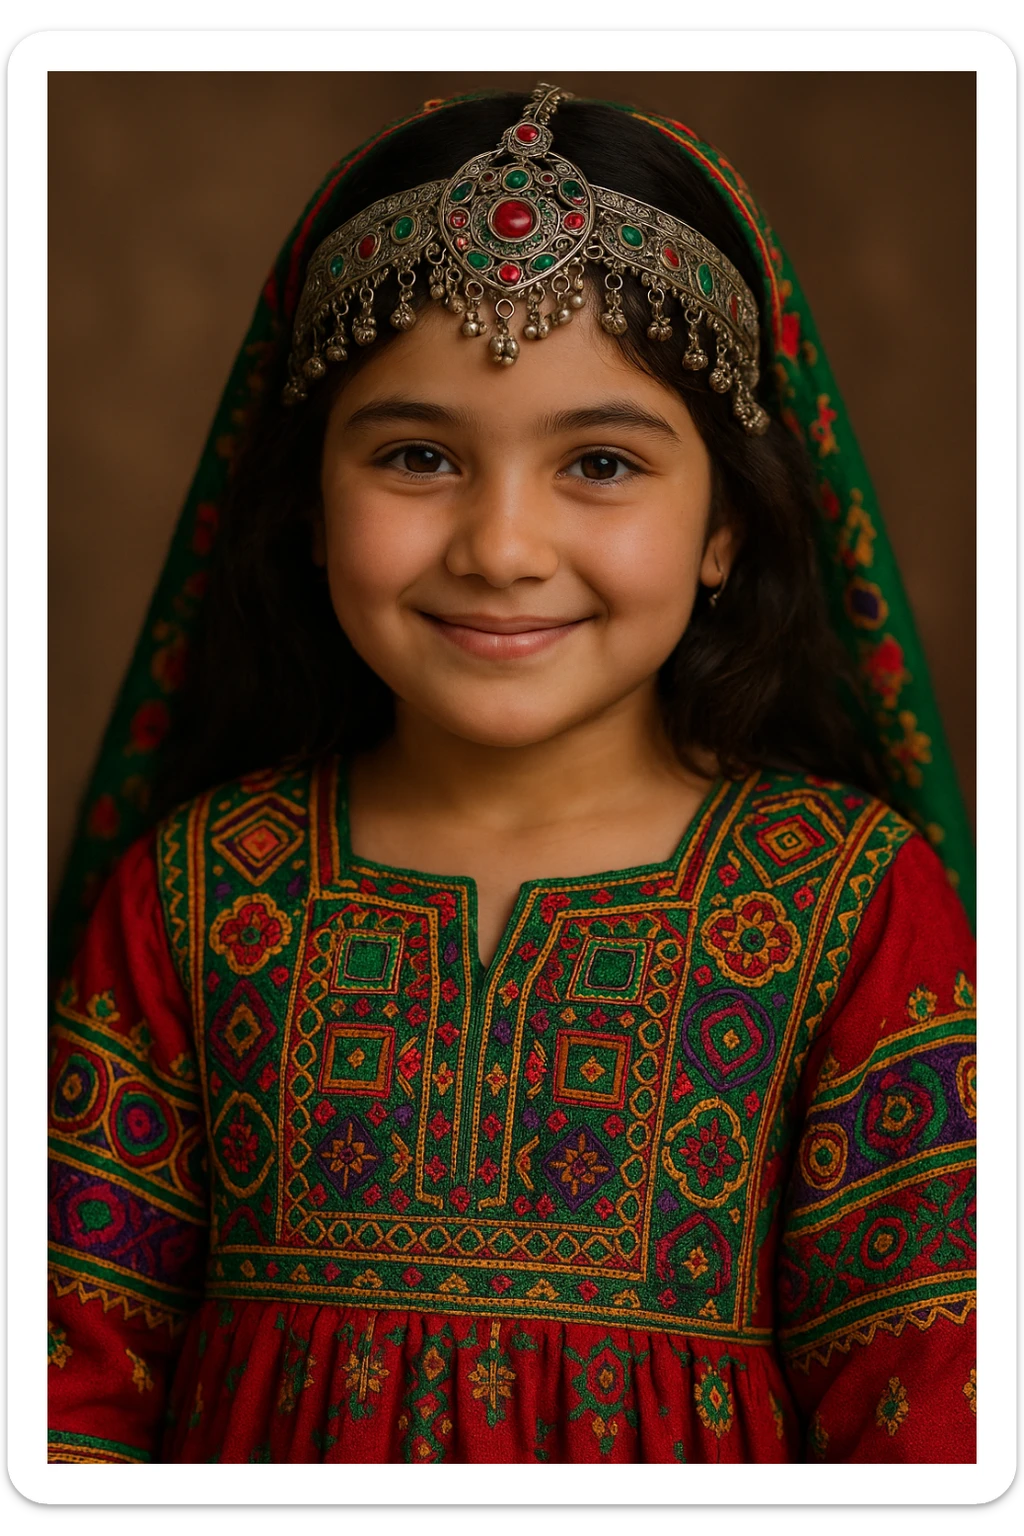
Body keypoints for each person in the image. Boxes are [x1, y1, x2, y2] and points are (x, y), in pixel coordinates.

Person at [47, 84, 976, 1465]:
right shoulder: (194, 890)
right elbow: (65, 1395)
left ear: (725, 527)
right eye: (417, 457)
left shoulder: (846, 904)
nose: (500, 546)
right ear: (309, 506)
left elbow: (938, 1408)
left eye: (599, 463)